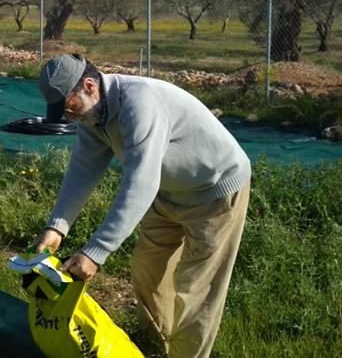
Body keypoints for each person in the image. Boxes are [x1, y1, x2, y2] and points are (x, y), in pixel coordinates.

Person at [31, 54, 251, 358]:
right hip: (167, 194)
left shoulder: (140, 104)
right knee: (148, 272)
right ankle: (152, 348)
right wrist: (56, 227)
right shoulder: (93, 116)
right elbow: (82, 171)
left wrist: (95, 252)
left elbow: (142, 182)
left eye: (70, 107)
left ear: (90, 87)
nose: (69, 117)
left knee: (196, 291)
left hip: (214, 194)